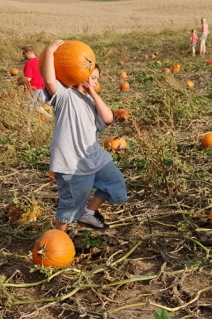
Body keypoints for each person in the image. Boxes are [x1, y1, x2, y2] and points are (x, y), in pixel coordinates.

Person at [42, 39, 128, 232]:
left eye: (96, 78)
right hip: (71, 162)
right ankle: (58, 239)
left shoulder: (91, 101)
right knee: (70, 207)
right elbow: (49, 80)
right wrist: (49, 51)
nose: (94, 81)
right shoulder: (65, 96)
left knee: (114, 182)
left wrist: (93, 92)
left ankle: (89, 213)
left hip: (93, 157)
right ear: (78, 73)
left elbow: (108, 119)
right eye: (91, 77)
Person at [17, 45, 52, 119]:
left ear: (28, 53)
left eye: (23, 53)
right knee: (37, 106)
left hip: (31, 89)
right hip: (41, 89)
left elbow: (28, 79)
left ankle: (27, 127)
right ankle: (49, 118)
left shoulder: (29, 63)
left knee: (27, 109)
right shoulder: (40, 61)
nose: (23, 55)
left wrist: (18, 83)